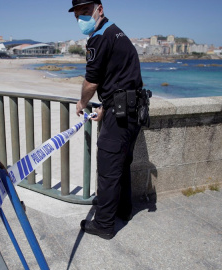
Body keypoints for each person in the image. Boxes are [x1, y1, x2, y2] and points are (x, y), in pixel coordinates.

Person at [69, 0, 145, 239]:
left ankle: (103, 224)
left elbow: (92, 81)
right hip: (132, 109)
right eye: (77, 14)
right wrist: (106, 104)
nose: (81, 18)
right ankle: (123, 209)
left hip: (120, 114)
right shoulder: (116, 32)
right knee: (121, 165)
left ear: (99, 9)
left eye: (85, 12)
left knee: (109, 169)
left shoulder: (100, 37)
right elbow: (119, 76)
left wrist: (82, 103)